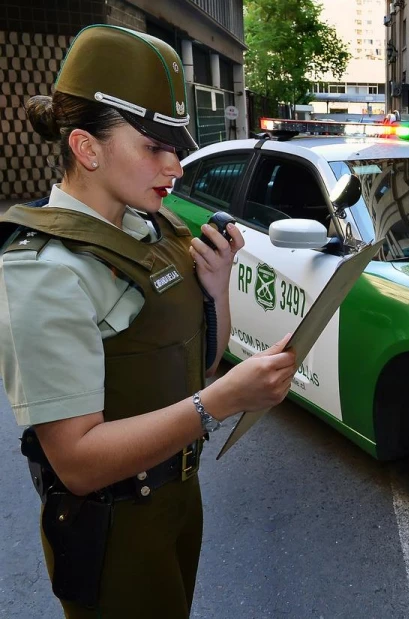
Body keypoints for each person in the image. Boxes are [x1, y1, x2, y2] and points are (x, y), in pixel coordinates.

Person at [0, 25, 297, 618]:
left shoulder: (151, 229)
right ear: (87, 148)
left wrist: (216, 293)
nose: (176, 167)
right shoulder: (45, 271)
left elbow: (194, 364)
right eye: (154, 147)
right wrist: (219, 402)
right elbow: (78, 463)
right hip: (113, 526)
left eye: (177, 148)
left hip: (177, 499)